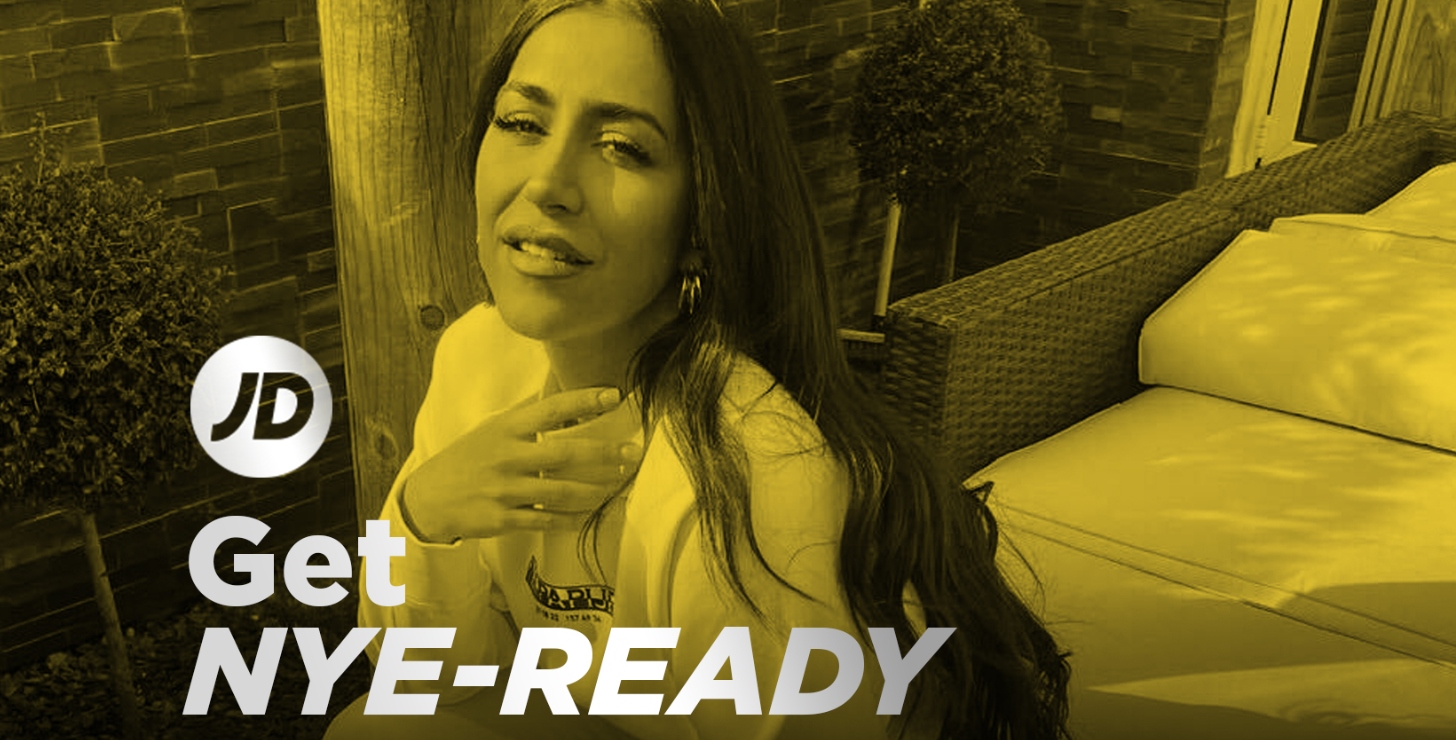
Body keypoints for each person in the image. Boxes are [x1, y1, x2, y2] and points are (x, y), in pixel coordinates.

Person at [327, 0, 1071, 738]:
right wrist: (425, 517)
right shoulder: (477, 356)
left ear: (700, 218)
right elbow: (429, 679)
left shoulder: (750, 476)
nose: (548, 182)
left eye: (623, 146)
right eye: (522, 123)